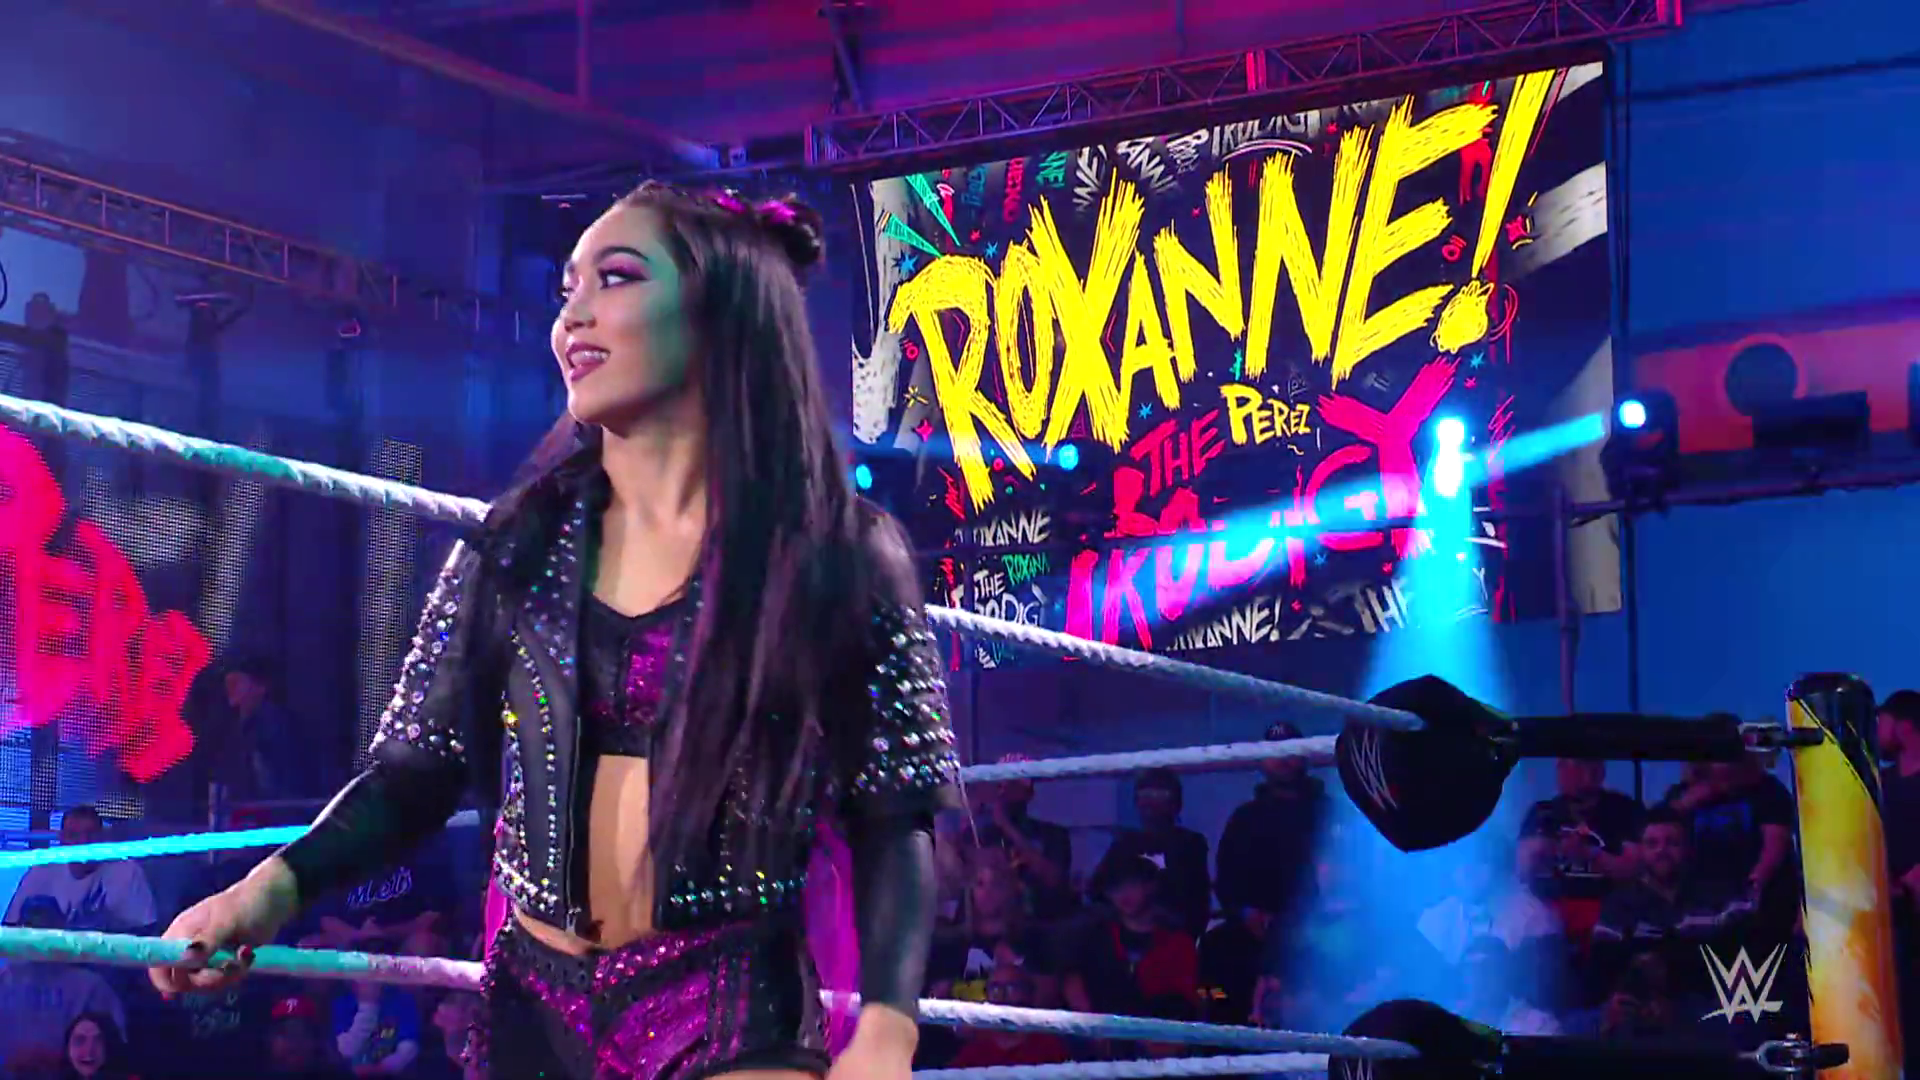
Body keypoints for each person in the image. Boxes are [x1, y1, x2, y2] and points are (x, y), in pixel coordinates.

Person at [148, 183, 962, 1080]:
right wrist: (261, 893)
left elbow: (896, 818)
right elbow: (413, 776)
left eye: (616, 278)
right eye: (567, 288)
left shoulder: (838, 553)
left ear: (721, 311)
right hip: (533, 1003)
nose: (573, 316)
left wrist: (888, 1031)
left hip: (727, 998)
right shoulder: (518, 543)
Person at [5, 806, 158, 933]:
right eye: (73, 835)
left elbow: (147, 938)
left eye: (90, 834)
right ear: (61, 839)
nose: (83, 842)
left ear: (102, 838)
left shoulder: (127, 872)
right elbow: (8, 930)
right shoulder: (41, 871)